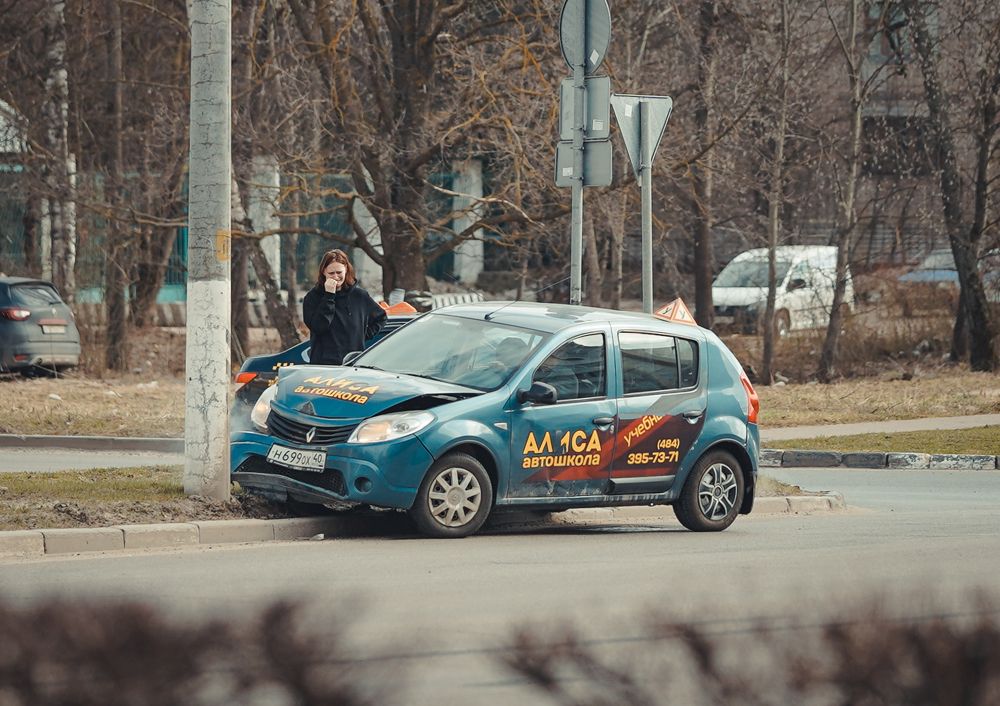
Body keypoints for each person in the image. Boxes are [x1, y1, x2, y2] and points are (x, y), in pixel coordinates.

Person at [302, 249, 386, 365]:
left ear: (346, 269)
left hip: (353, 364)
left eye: (339, 272)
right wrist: (329, 296)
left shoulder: (360, 296)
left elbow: (381, 317)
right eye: (331, 273)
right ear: (323, 272)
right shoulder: (312, 297)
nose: (336, 277)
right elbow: (319, 327)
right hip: (323, 365)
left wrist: (363, 335)